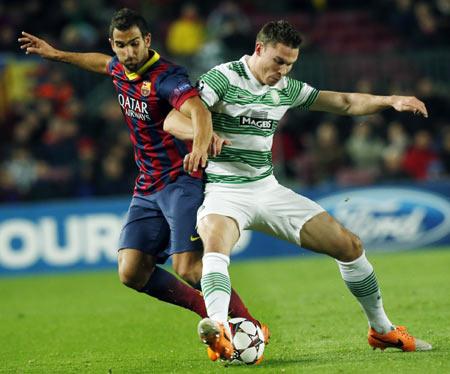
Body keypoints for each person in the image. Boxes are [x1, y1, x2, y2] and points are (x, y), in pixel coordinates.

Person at [164, 20, 432, 361]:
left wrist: (391, 100)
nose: (283, 70)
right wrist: (202, 135)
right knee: (216, 246)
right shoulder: (223, 77)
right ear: (259, 49)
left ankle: (381, 330)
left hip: (268, 189)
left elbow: (346, 102)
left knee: (349, 246)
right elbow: (172, 120)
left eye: (290, 63)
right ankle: (220, 330)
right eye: (278, 61)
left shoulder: (285, 88)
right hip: (225, 189)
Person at [18, 8, 267, 355]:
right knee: (132, 271)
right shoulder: (120, 67)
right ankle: (205, 311)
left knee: (189, 267)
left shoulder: (167, 76)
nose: (128, 52)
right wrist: (58, 54)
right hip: (147, 186)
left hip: (181, 180)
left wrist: (198, 146)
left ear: (147, 41)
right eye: (121, 45)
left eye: (134, 43)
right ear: (113, 44)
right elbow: (100, 63)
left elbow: (198, 110)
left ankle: (252, 328)